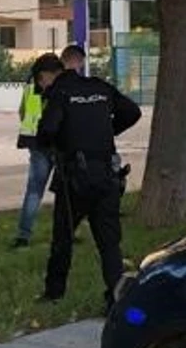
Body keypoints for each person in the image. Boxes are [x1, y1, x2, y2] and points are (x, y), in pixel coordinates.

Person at [37, 44, 141, 307]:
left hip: (75, 178)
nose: (42, 86)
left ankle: (54, 293)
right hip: (107, 174)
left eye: (41, 81)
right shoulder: (100, 87)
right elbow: (132, 112)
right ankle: (116, 296)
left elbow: (47, 130)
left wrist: (58, 141)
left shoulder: (60, 92)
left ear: (55, 71)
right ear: (81, 63)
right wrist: (107, 131)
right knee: (109, 242)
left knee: (63, 238)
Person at [13, 53, 66, 249]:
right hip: (44, 148)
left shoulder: (33, 90)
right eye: (55, 75)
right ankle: (23, 235)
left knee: (59, 193)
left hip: (43, 147)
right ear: (44, 75)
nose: (57, 79)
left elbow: (24, 116)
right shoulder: (38, 92)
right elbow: (38, 122)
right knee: (36, 192)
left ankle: (26, 235)